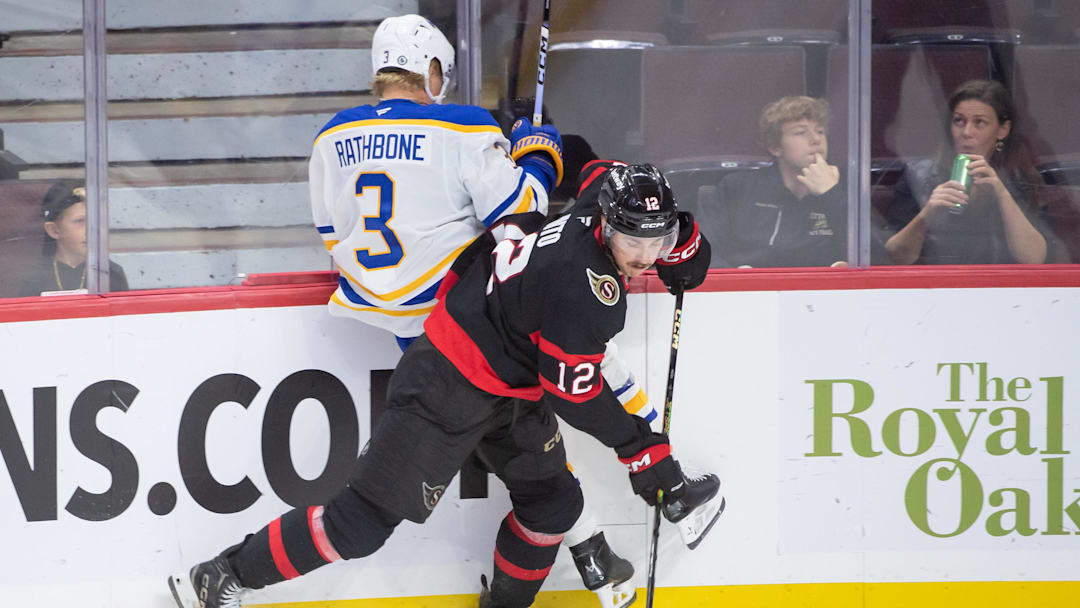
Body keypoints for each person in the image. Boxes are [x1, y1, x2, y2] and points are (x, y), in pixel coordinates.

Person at [168, 163, 722, 608]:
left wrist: (688, 243)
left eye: (659, 239)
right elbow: (573, 393)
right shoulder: (584, 290)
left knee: (552, 505)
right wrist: (643, 451)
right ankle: (219, 577)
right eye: (634, 242)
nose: (646, 257)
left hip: (509, 384)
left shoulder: (605, 197)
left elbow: (600, 167)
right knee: (358, 525)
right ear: (605, 224)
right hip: (448, 382)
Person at [304, 14, 647, 608]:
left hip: (400, 327)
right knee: (560, 391)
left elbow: (332, 234)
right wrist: (537, 157)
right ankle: (601, 538)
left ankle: (593, 552)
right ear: (431, 70)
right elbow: (520, 216)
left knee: (525, 437)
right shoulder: (461, 125)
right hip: (465, 320)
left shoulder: (330, 137)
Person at [884, 79, 1049, 265]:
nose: (966, 132)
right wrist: (926, 215)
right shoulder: (918, 176)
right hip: (932, 287)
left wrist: (1002, 193)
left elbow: (1034, 258)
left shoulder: (1020, 178)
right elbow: (894, 258)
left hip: (999, 288)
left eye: (979, 122)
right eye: (959, 121)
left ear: (1003, 129)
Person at [703, 96, 848, 268]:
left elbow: (875, 253)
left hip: (824, 292)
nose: (816, 139)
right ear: (775, 147)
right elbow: (702, 252)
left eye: (820, 131)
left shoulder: (842, 189)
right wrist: (737, 282)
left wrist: (831, 194)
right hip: (749, 291)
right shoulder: (738, 188)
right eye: (801, 132)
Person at [18, 179, 129, 296]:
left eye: (97, 220)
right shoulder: (36, 278)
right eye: (80, 221)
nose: (93, 230)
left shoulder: (111, 274)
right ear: (54, 230)